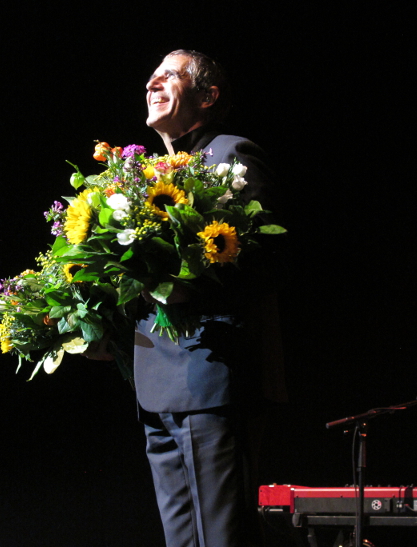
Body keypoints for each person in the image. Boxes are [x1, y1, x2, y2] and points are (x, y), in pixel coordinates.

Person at [134, 49, 287, 547]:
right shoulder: (140, 180)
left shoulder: (229, 153)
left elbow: (254, 259)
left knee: (223, 537)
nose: (153, 82)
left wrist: (184, 279)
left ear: (207, 95)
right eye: (151, 76)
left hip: (211, 381)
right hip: (157, 385)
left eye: (169, 75)